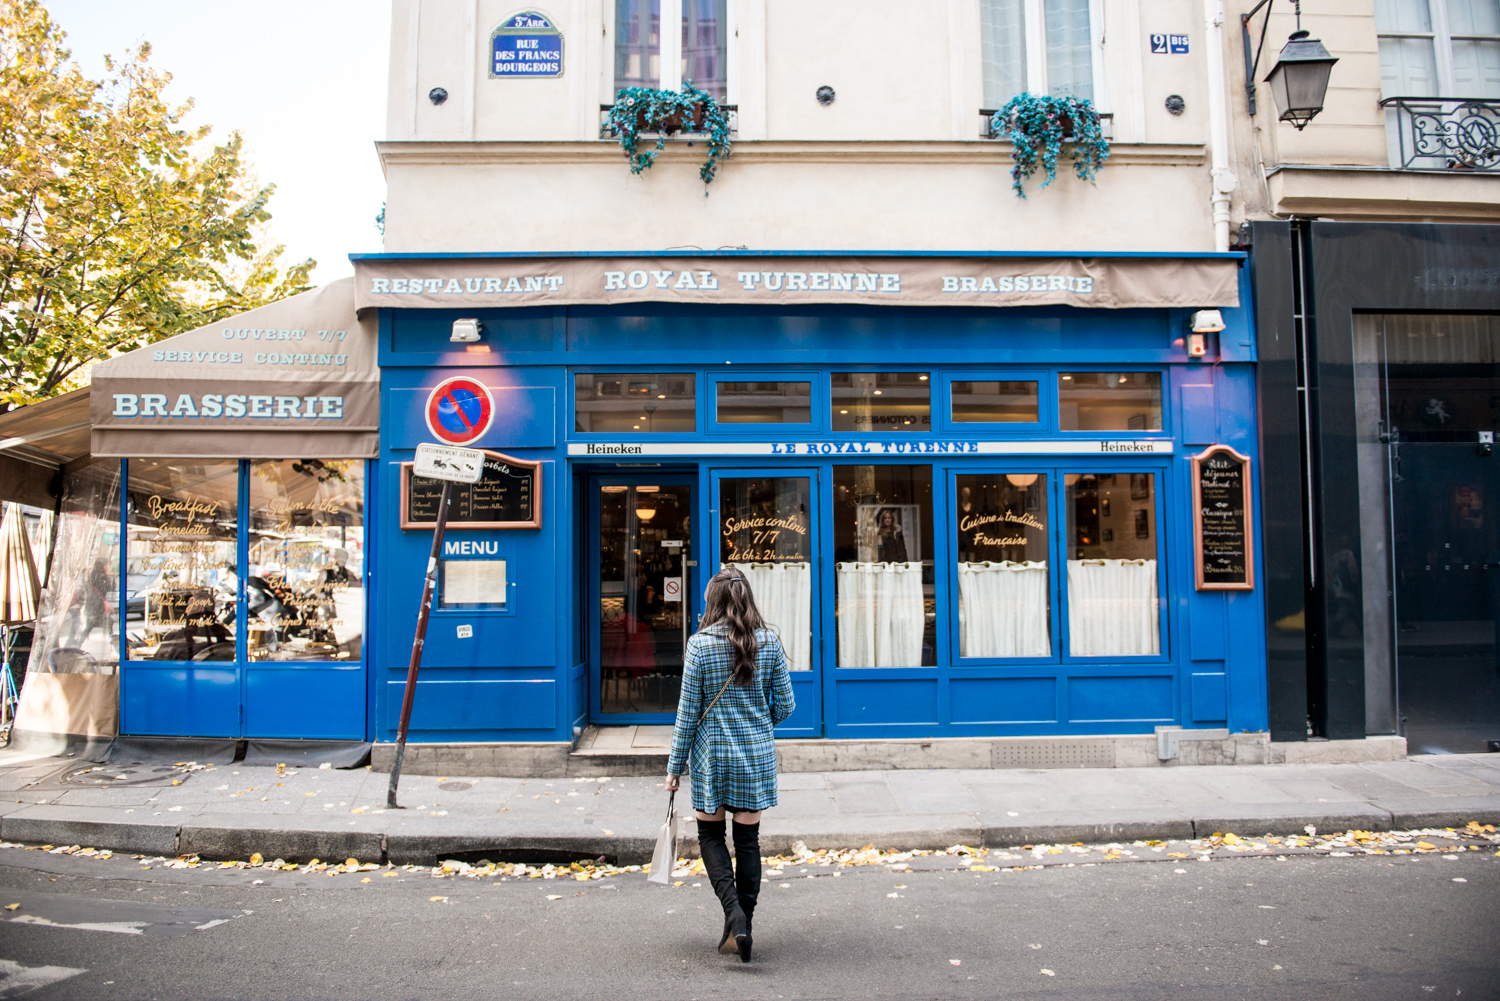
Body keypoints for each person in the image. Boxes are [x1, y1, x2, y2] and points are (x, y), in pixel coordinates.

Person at [666, 567, 795, 962]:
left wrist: (674, 767)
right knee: (748, 841)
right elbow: (787, 705)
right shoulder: (769, 642)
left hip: (712, 757)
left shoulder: (699, 645)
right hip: (755, 757)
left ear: (713, 601)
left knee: (710, 837)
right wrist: (758, 725)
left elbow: (688, 714)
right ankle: (745, 923)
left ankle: (733, 915)